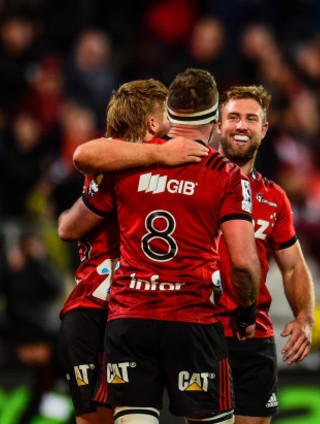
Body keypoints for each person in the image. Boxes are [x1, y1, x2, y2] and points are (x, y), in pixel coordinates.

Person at [58, 68, 261, 424]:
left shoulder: (121, 164)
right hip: (183, 313)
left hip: (125, 313)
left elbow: (69, 223)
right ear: (215, 119)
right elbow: (243, 263)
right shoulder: (223, 172)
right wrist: (246, 312)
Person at [215, 85, 315, 424]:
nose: (241, 126)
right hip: (200, 329)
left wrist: (305, 316)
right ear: (217, 124)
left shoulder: (274, 197)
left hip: (252, 334)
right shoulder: (193, 182)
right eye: (233, 117)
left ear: (264, 128)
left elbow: (292, 266)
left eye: (250, 119)